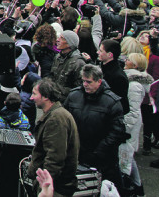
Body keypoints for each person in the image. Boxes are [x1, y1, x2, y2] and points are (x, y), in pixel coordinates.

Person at [63, 63, 127, 191]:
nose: (85, 84)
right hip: (77, 153)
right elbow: (64, 121)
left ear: (99, 82)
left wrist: (98, 153)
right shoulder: (74, 96)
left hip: (102, 159)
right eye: (83, 81)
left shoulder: (112, 102)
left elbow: (117, 132)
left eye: (89, 82)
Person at [28, 78, 79, 197]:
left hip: (56, 187)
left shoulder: (55, 119)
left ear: (45, 97)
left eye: (35, 94)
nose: (31, 98)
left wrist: (44, 186)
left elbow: (55, 157)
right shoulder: (55, 115)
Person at [119, 53, 152, 197]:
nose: (125, 60)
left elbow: (133, 111)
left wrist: (124, 128)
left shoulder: (134, 85)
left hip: (129, 126)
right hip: (129, 124)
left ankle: (133, 188)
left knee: (127, 157)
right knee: (128, 157)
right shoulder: (131, 81)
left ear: (135, 65)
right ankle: (137, 188)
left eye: (129, 60)